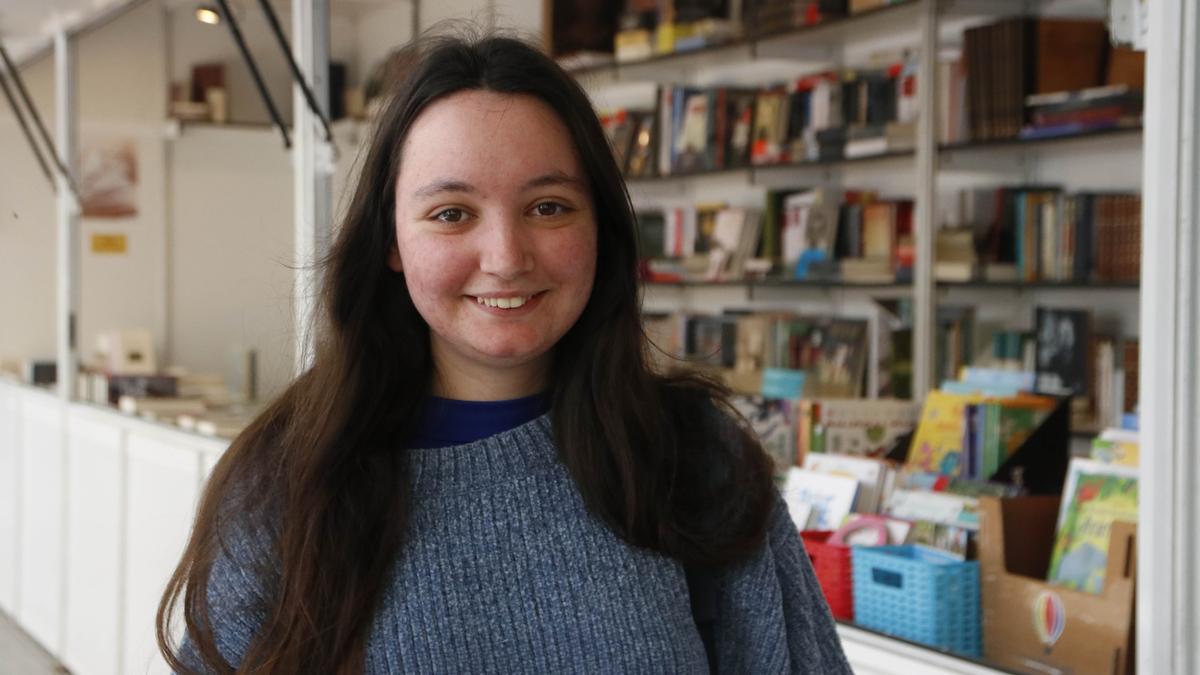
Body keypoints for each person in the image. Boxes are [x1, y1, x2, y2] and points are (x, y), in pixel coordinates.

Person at [157, 32, 851, 674]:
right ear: (392, 242)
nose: (506, 257)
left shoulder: (696, 455)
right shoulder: (289, 476)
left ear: (600, 226)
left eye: (548, 207)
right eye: (452, 213)